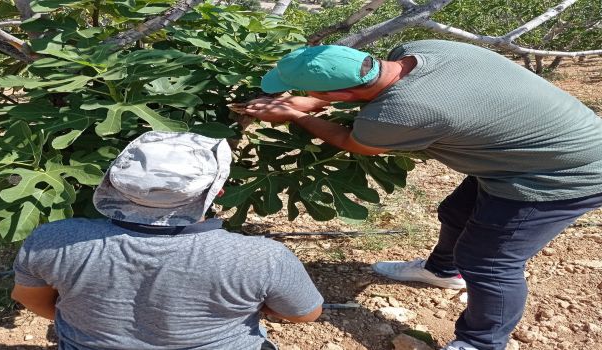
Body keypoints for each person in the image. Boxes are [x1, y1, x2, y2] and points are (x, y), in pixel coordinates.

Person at [243, 41, 602, 350]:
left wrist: (294, 114)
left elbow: (353, 142)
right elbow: (374, 98)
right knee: (456, 213)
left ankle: (481, 341)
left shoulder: (403, 114)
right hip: (533, 147)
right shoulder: (426, 50)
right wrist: (309, 102)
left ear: (341, 95)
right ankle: (441, 271)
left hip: (563, 175)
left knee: (490, 263)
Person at [11, 131, 323, 350]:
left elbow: (30, 299)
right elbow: (304, 313)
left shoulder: (54, 240)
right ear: (217, 193)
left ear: (116, 185)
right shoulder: (261, 258)